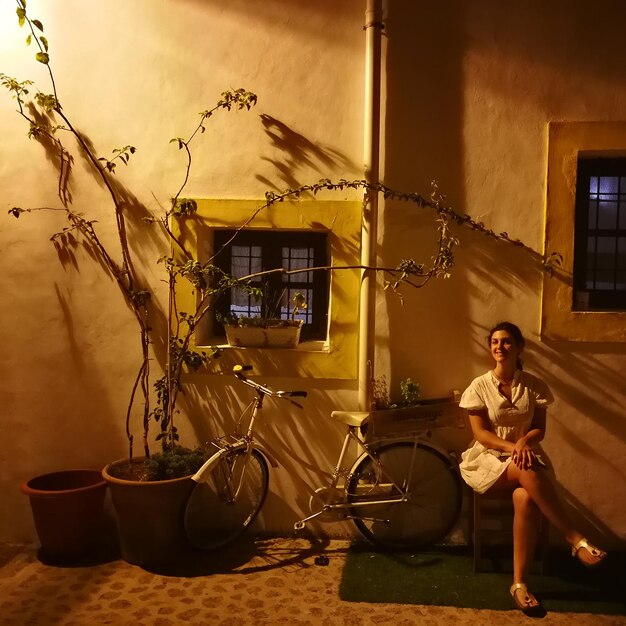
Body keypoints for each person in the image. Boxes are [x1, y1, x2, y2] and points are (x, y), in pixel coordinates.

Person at [459, 321, 606, 614]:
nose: (499, 347)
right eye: (495, 342)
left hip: (524, 458)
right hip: (488, 459)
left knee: (524, 498)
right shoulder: (479, 386)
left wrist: (525, 440)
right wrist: (515, 447)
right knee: (524, 465)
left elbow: (540, 429)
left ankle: (519, 584)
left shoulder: (534, 386)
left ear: (519, 346)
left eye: (506, 341)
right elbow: (481, 434)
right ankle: (573, 537)